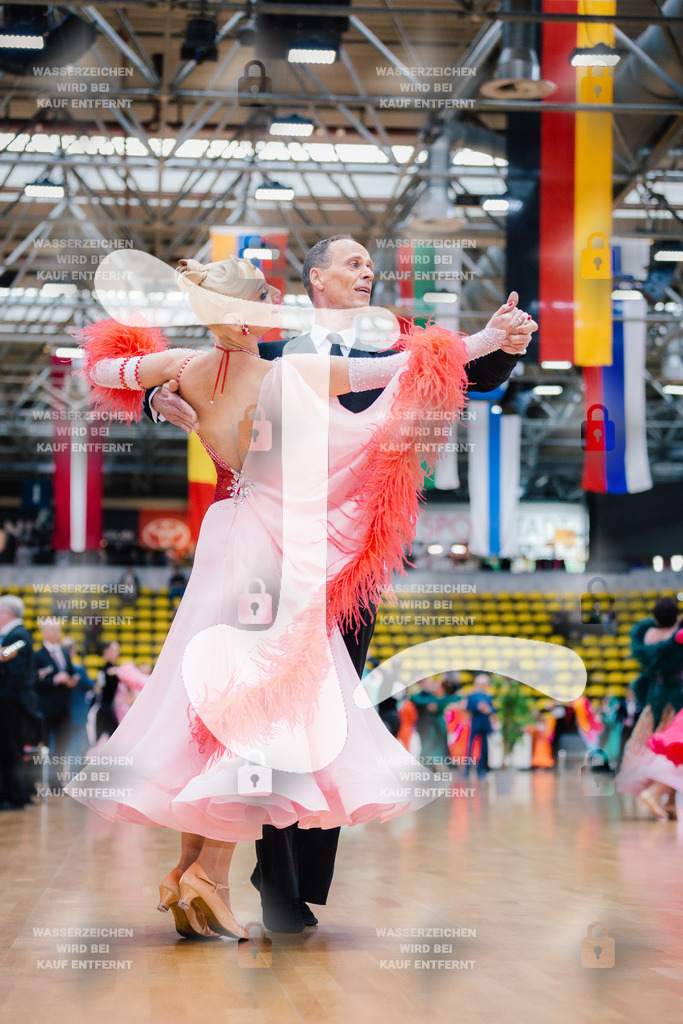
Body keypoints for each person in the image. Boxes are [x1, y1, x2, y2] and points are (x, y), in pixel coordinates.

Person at [66, 250, 537, 942]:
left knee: (219, 704)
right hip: (283, 547)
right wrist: (488, 335)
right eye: (265, 297)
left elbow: (106, 370)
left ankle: (193, 871)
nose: (275, 303)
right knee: (264, 713)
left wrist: (150, 392)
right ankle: (218, 879)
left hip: (231, 540)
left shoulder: (186, 365)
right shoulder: (288, 369)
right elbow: (401, 369)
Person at [0, 595, 37, 809]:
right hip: (15, 700)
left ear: (7, 613)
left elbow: (12, 661)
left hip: (12, 701)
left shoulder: (18, 636)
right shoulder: (18, 635)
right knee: (12, 748)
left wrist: (3, 696)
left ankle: (13, 795)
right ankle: (15, 793)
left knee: (11, 748)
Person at [34, 618, 77, 788]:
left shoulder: (64, 653)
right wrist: (54, 680)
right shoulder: (38, 655)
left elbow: (71, 673)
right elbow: (34, 682)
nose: (57, 633)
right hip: (46, 708)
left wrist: (71, 680)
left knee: (62, 746)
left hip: (64, 707)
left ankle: (56, 782)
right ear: (44, 632)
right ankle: (38, 779)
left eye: (58, 629)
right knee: (43, 745)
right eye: (53, 630)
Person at [463, 673, 496, 777]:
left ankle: (481, 768)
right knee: (470, 746)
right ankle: (467, 769)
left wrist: (489, 710)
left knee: (484, 747)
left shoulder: (488, 696)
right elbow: (468, 707)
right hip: (475, 723)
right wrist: (478, 707)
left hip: (485, 724)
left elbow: (493, 709)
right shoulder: (471, 696)